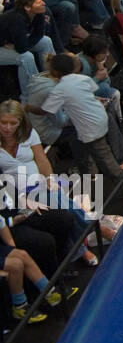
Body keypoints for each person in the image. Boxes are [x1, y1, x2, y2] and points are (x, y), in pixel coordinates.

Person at [0, 99, 96, 268]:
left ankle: (84, 243)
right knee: (58, 200)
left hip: (39, 183)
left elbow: (41, 160)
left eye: (12, 123)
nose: (7, 127)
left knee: (56, 194)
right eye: (3, 123)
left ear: (21, 122)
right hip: (17, 194)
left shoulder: (29, 134)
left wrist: (50, 179)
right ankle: (93, 231)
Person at [33, 53, 123, 192]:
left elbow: (46, 110)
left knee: (103, 155)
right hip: (99, 117)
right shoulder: (83, 79)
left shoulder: (58, 90)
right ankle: (89, 175)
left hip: (89, 126)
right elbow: (90, 93)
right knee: (80, 148)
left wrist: (28, 108)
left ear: (54, 72)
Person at [0, 0, 56, 95]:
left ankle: (53, 76)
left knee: (45, 41)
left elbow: (39, 34)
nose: (43, 3)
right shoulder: (17, 18)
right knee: (26, 57)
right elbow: (21, 49)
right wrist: (21, 44)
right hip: (2, 45)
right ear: (27, 7)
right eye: (39, 2)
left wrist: (23, 43)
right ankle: (33, 93)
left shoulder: (39, 11)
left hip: (12, 42)